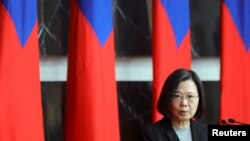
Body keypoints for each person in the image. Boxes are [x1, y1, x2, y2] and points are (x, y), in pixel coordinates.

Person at [140, 68, 207, 141]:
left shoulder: (206, 132)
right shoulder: (151, 134)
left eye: (190, 96)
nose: (184, 103)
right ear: (167, 99)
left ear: (199, 99)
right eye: (177, 96)